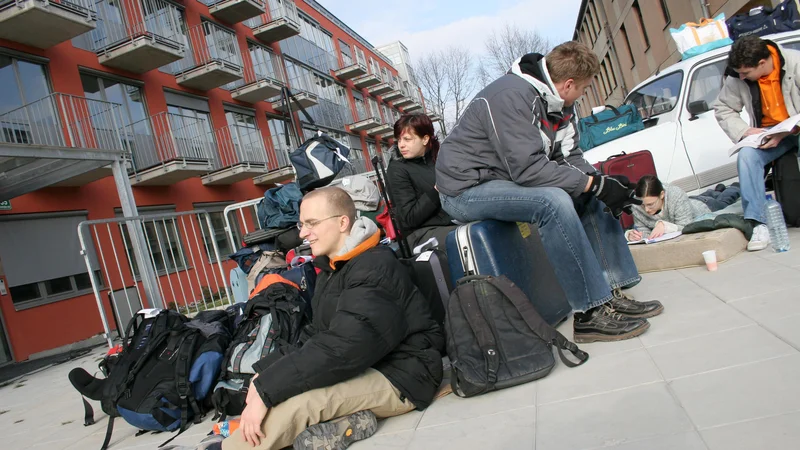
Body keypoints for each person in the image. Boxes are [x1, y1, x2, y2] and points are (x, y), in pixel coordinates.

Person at [435, 41, 663, 343]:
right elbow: (528, 170)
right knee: (553, 201)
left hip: (503, 179)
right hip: (465, 189)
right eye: (583, 88)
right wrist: (592, 184)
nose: (582, 94)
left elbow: (569, 157)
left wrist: (602, 184)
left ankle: (610, 291)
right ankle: (590, 314)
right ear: (568, 84)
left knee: (590, 192)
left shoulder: (560, 103)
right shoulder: (510, 97)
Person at [222, 187, 445, 450]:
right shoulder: (333, 267)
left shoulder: (374, 267)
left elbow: (345, 346)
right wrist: (266, 374)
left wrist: (267, 389)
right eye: (301, 224)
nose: (303, 233)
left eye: (312, 223)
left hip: (404, 374)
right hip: (370, 362)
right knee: (278, 389)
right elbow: (316, 335)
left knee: (301, 404)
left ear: (342, 222)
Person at [713, 35, 800, 251]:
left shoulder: (795, 63)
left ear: (762, 63)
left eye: (745, 72)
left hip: (795, 126)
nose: (741, 77)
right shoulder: (737, 76)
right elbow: (722, 108)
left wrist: (789, 130)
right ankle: (758, 222)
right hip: (770, 134)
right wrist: (745, 131)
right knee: (747, 156)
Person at [386, 114, 456, 251]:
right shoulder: (396, 169)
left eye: (407, 139)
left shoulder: (439, 158)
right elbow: (409, 217)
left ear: (425, 139)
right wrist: (437, 190)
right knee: (471, 235)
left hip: (452, 221)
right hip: (419, 235)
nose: (401, 145)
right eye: (399, 139)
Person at [626, 176, 741, 241]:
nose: (646, 210)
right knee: (710, 196)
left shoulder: (675, 194)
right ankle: (716, 190)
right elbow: (647, 235)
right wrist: (634, 235)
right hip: (689, 201)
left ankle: (734, 187)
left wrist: (664, 225)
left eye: (650, 204)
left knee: (723, 202)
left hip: (703, 206)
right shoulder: (636, 205)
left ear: (662, 195)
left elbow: (687, 225)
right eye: (643, 205)